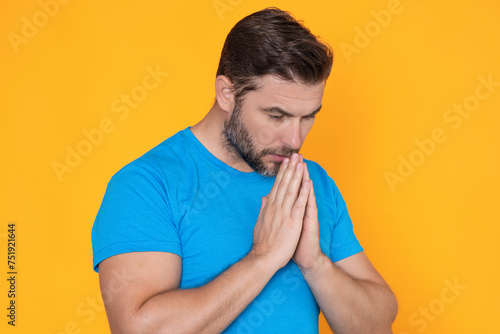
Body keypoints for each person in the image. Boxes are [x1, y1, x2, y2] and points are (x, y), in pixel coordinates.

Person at [91, 7, 398, 333]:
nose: (294, 139)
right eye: (276, 116)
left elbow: (378, 324)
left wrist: (315, 263)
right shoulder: (147, 185)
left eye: (308, 117)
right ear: (227, 94)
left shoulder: (311, 181)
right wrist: (264, 257)